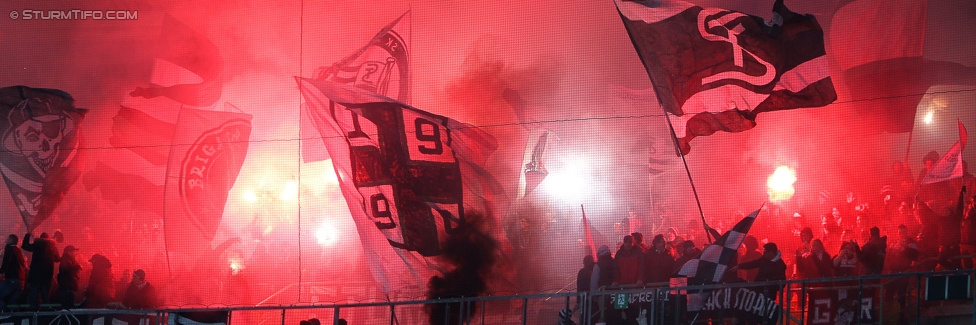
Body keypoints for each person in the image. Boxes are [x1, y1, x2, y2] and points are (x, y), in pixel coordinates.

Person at [21, 232, 60, 309]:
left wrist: (27, 234)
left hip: (35, 276)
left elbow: (25, 246)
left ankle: (33, 316)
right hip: (47, 276)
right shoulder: (52, 246)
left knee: (33, 299)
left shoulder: (37, 245)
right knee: (45, 299)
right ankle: (44, 317)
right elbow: (57, 259)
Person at [0, 234, 26, 312]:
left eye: (7, 239)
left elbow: (6, 262)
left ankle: (2, 316)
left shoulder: (9, 249)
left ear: (11, 240)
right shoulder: (18, 250)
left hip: (12, 280)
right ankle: (16, 319)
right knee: (12, 303)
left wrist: (1, 271)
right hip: (21, 281)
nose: (6, 240)